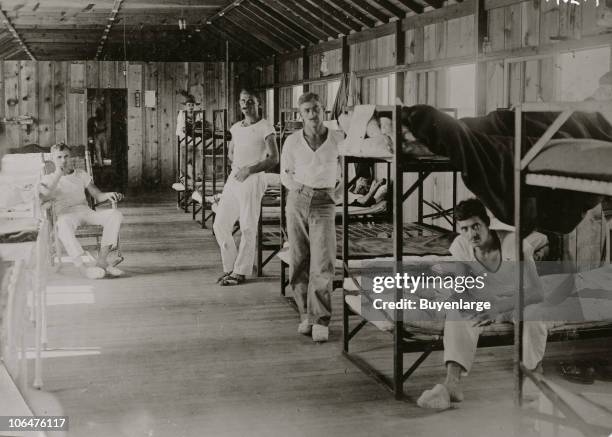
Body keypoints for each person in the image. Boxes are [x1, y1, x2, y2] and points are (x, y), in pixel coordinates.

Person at [416, 198, 549, 410]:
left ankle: (533, 374)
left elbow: (536, 292)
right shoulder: (461, 245)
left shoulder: (514, 244)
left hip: (515, 300)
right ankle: (452, 385)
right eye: (465, 229)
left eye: (476, 226)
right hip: (483, 299)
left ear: (487, 223)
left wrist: (497, 309)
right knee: (458, 311)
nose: (472, 234)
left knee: (532, 313)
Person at [280, 92, 345, 342]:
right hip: (297, 201)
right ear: (300, 114)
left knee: (324, 261)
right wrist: (300, 188)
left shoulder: (337, 138)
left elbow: (349, 169)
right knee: (299, 258)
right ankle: (305, 314)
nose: (312, 114)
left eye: (316, 109)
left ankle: (321, 319)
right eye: (306, 110)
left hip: (324, 203)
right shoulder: (292, 141)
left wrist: (336, 194)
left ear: (323, 109)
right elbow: (285, 175)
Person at [213, 89, 278, 286]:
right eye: (242, 101)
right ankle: (230, 267)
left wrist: (249, 169)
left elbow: (274, 158)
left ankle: (240, 272)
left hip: (253, 178)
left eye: (250, 101)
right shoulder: (235, 127)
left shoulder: (265, 127)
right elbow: (232, 151)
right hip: (235, 177)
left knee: (248, 226)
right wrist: (236, 164)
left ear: (258, 104)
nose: (245, 105)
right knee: (220, 224)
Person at [40, 143, 124, 279]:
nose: (63, 160)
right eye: (59, 157)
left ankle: (102, 261)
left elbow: (97, 195)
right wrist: (58, 175)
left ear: (71, 157)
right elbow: (45, 195)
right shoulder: (48, 179)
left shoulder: (81, 174)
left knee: (115, 215)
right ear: (52, 159)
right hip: (65, 214)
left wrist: (108, 195)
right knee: (63, 225)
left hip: (85, 211)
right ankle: (82, 268)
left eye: (66, 156)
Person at [176, 94, 205, 185]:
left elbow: (201, 127)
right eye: (189, 105)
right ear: (185, 106)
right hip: (185, 143)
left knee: (197, 163)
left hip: (195, 144)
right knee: (184, 164)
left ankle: (197, 180)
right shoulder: (182, 115)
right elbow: (181, 129)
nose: (191, 107)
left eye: (192, 105)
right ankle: (184, 180)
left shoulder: (198, 115)